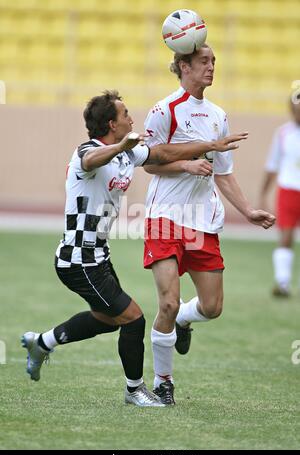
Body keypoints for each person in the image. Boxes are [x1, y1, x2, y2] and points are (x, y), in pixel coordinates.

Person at [21, 90, 246, 407]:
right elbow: (90, 160)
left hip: (98, 257)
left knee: (107, 318)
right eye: (126, 114)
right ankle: (134, 391)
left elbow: (163, 154)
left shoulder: (130, 153)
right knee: (133, 319)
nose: (132, 118)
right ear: (112, 124)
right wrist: (120, 147)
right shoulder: (88, 151)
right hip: (77, 260)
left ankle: (42, 342)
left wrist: (206, 148)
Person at [143, 44, 276, 405]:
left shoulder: (218, 114)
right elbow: (149, 163)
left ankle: (186, 320)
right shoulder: (164, 110)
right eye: (204, 61)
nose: (211, 66)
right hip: (165, 218)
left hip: (204, 222)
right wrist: (185, 165)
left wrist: (248, 211)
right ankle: (163, 381)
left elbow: (223, 174)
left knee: (212, 307)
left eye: (214, 61)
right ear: (183, 65)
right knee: (167, 303)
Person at [260, 96, 300, 297]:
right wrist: (263, 194)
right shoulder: (283, 133)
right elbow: (272, 165)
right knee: (286, 236)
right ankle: (282, 282)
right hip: (289, 189)